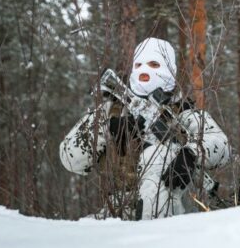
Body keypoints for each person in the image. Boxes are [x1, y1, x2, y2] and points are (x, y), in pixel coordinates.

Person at [59, 38, 230, 220]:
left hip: (173, 211)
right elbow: (71, 159)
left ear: (169, 69)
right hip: (116, 213)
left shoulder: (184, 113)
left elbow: (221, 146)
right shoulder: (111, 110)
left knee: (158, 156)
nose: (145, 71)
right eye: (139, 64)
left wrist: (191, 154)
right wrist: (108, 129)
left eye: (154, 64)